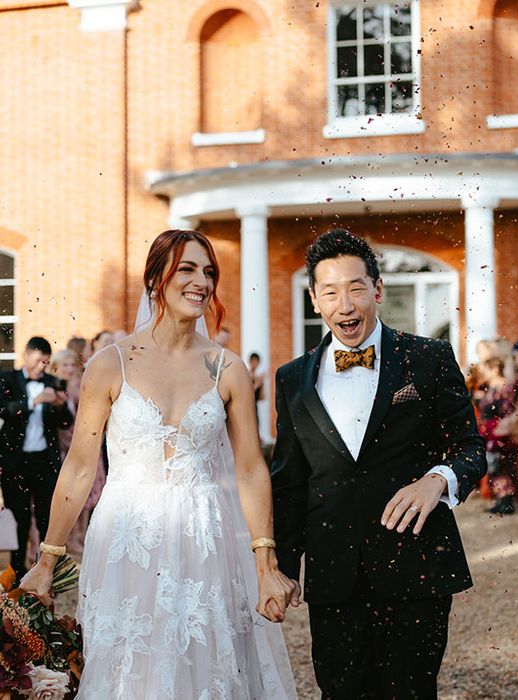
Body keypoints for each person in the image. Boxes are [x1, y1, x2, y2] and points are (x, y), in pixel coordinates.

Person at [20, 230, 297, 698]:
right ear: (155, 279)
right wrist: (47, 560)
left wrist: (265, 562)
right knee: (129, 671)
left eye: (208, 272)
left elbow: (251, 470)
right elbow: (80, 467)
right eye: (187, 269)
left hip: (206, 539)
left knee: (209, 669)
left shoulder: (227, 368)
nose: (202, 282)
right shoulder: (110, 364)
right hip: (127, 541)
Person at [270, 229, 486, 699]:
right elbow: (289, 482)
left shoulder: (428, 358)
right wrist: (281, 567)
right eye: (329, 291)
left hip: (416, 568)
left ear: (378, 290)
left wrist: (437, 480)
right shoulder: (291, 380)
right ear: (313, 299)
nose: (344, 305)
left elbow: (471, 449)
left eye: (355, 288)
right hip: (334, 576)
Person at [0, 336, 73, 576]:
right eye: (36, 361)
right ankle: (17, 572)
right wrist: (34, 401)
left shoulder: (53, 382)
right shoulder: (7, 379)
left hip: (44, 461)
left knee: (45, 518)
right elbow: (6, 410)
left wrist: (62, 406)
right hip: (14, 462)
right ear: (26, 356)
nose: (40, 367)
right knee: (19, 518)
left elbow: (65, 424)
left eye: (44, 363)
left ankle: (43, 570)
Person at [48, 349, 107, 557]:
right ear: (56, 366)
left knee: (89, 496)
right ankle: (69, 539)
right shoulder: (52, 386)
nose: (69, 369)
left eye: (72, 365)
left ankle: (81, 536)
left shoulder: (81, 384)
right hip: (64, 448)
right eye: (65, 365)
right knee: (69, 495)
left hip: (88, 444)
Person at [476, 355, 518, 514]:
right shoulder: (491, 387)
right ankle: (499, 498)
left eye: (485, 370)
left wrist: (497, 428)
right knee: (493, 467)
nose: (482, 373)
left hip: (500, 433)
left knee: (502, 466)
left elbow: (507, 411)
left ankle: (506, 499)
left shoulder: (503, 387)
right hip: (489, 432)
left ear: (493, 369)